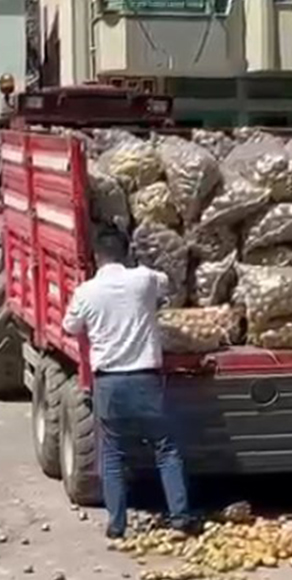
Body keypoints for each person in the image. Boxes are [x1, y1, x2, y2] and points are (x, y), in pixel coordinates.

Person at [62, 229, 196, 538]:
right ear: (126, 254)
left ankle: (117, 524)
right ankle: (180, 517)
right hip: (145, 380)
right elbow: (168, 283)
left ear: (97, 257)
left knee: (112, 453)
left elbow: (70, 327)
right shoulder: (143, 279)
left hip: (109, 383)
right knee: (166, 449)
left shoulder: (87, 292)